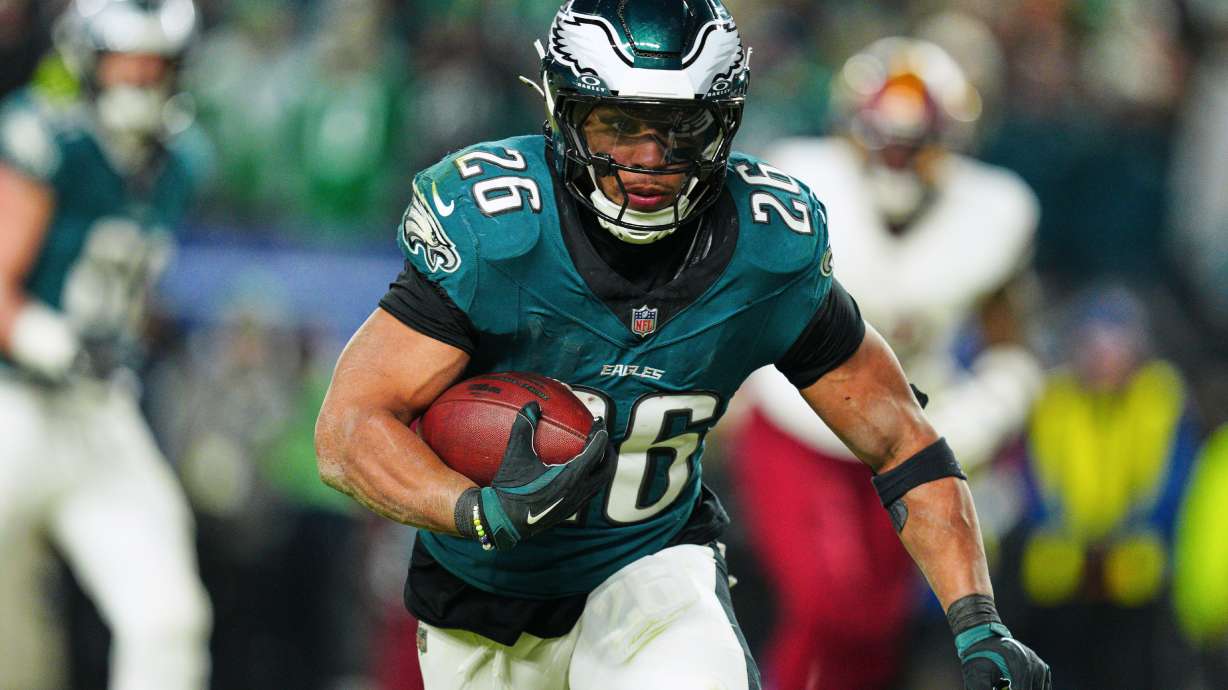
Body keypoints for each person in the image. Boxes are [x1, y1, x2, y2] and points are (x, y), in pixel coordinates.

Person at [315, 2, 1051, 688]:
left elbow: (902, 440)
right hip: (482, 597)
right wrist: (471, 508)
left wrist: (976, 617)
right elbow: (349, 429)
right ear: (561, 112)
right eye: (614, 124)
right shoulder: (495, 228)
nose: (647, 158)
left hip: (652, 574)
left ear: (725, 124)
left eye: (680, 128)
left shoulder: (766, 247)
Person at [730, 37, 1043, 690]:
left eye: (914, 142)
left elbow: (1011, 343)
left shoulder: (992, 213)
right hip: (801, 417)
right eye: (884, 138)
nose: (896, 156)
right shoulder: (798, 182)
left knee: (876, 621)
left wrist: (988, 407)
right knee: (830, 603)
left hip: (904, 429)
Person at [0, 1, 211, 689]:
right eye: (126, 59)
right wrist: (48, 339)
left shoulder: (179, 158)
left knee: (168, 618)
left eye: (156, 61)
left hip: (99, 411)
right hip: (13, 406)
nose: (141, 77)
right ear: (88, 61)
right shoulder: (44, 135)